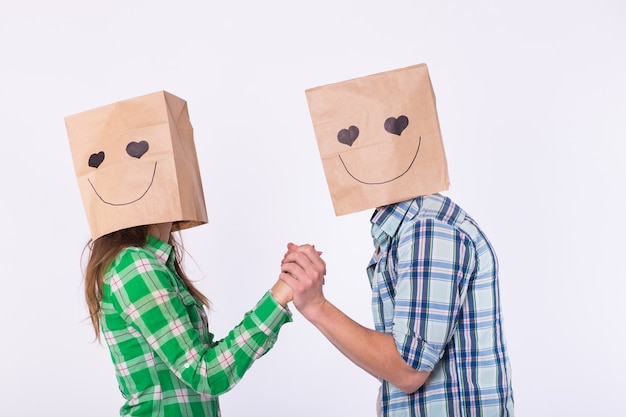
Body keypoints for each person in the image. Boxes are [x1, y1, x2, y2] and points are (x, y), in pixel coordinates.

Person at [283, 64, 514, 415]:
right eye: (351, 137)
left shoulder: (429, 231)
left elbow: (408, 370)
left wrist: (316, 306)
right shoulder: (405, 230)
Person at [66, 91, 293, 416]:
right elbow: (207, 374)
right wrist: (278, 297)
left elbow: (197, 365)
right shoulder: (136, 266)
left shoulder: (149, 262)